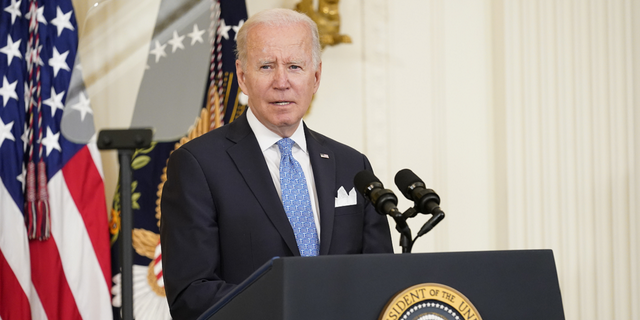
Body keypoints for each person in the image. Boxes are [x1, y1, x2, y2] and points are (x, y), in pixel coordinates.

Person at [160, 8, 393, 319]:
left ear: (316, 76)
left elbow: (383, 276)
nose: (281, 82)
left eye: (295, 66)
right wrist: (294, 304)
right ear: (242, 76)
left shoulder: (352, 165)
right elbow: (192, 294)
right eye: (266, 66)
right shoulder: (197, 165)